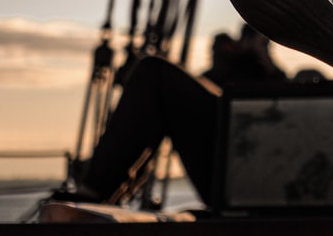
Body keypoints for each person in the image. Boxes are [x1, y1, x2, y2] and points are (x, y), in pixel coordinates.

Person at [52, 24, 287, 205]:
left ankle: (94, 189)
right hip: (233, 168)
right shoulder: (223, 74)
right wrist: (234, 57)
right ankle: (98, 186)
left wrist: (262, 58)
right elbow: (205, 89)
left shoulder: (273, 76)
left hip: (253, 173)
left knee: (154, 75)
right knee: (154, 76)